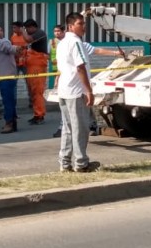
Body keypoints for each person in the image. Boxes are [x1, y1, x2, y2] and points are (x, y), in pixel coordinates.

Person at [50, 24, 124, 138]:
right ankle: (71, 143)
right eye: (80, 24)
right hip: (69, 87)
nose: (57, 33)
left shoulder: (78, 44)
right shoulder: (61, 45)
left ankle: (91, 126)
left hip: (76, 87)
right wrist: (57, 78)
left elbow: (95, 52)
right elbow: (65, 67)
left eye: (59, 31)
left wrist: (115, 53)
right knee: (71, 120)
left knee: (81, 112)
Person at [56, 12, 99, 173]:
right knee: (80, 128)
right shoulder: (75, 42)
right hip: (75, 91)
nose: (84, 27)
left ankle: (65, 162)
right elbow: (80, 67)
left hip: (64, 90)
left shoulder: (62, 42)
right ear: (70, 26)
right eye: (80, 24)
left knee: (67, 128)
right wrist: (89, 91)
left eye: (84, 24)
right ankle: (81, 163)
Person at [0, 27, 20, 134]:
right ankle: (12, 123)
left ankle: (9, 123)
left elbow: (10, 48)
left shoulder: (2, 42)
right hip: (2, 78)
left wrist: (17, 48)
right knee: (9, 101)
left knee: (8, 102)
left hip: (7, 78)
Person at [20, 18, 49, 125]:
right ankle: (37, 114)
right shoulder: (36, 34)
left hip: (38, 65)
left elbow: (27, 39)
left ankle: (40, 115)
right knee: (33, 92)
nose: (26, 31)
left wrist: (22, 30)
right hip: (32, 65)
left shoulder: (39, 33)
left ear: (33, 27)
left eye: (27, 29)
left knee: (37, 92)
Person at [10, 21, 29, 106]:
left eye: (15, 27)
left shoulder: (26, 36)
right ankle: (13, 102)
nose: (13, 29)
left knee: (29, 83)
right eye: (13, 27)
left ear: (20, 28)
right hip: (15, 63)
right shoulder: (13, 37)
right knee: (14, 83)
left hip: (26, 63)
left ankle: (32, 102)